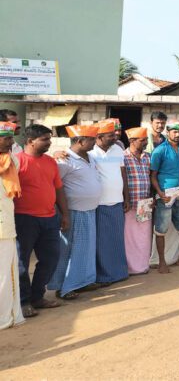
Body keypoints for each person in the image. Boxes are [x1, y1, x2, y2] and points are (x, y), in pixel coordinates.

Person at [14, 124, 68, 317]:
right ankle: (23, 301)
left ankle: (38, 296)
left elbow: (58, 189)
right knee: (22, 262)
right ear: (30, 141)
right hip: (24, 219)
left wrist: (65, 214)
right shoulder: (17, 161)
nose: (50, 142)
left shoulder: (50, 162)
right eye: (45, 139)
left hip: (49, 218)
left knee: (51, 258)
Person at [49, 125, 101, 300]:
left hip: (89, 211)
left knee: (85, 250)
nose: (95, 142)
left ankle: (82, 281)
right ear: (80, 141)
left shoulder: (91, 158)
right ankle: (64, 286)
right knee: (69, 250)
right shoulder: (65, 160)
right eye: (92, 140)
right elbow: (56, 186)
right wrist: (63, 214)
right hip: (73, 212)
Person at [149, 120, 179, 274]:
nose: (177, 134)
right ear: (167, 132)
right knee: (161, 230)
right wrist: (160, 194)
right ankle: (162, 262)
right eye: (174, 132)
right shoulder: (159, 151)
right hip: (165, 195)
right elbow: (153, 175)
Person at [89, 119, 129, 286]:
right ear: (98, 136)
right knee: (102, 242)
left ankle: (118, 273)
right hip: (99, 204)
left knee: (117, 240)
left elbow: (123, 174)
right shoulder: (90, 153)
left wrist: (126, 197)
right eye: (110, 135)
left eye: (114, 134)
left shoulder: (118, 150)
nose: (115, 137)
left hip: (117, 202)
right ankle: (104, 276)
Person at [0, 121, 24, 328]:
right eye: (6, 138)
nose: (11, 142)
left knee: (5, 273)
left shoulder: (11, 161)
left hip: (5, 226)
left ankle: (6, 316)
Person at [122, 127, 153, 274]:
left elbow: (151, 177)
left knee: (144, 236)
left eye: (146, 139)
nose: (146, 142)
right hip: (130, 204)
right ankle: (131, 268)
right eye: (143, 140)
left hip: (145, 204)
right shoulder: (123, 157)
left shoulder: (148, 157)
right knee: (130, 237)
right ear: (132, 141)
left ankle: (142, 266)